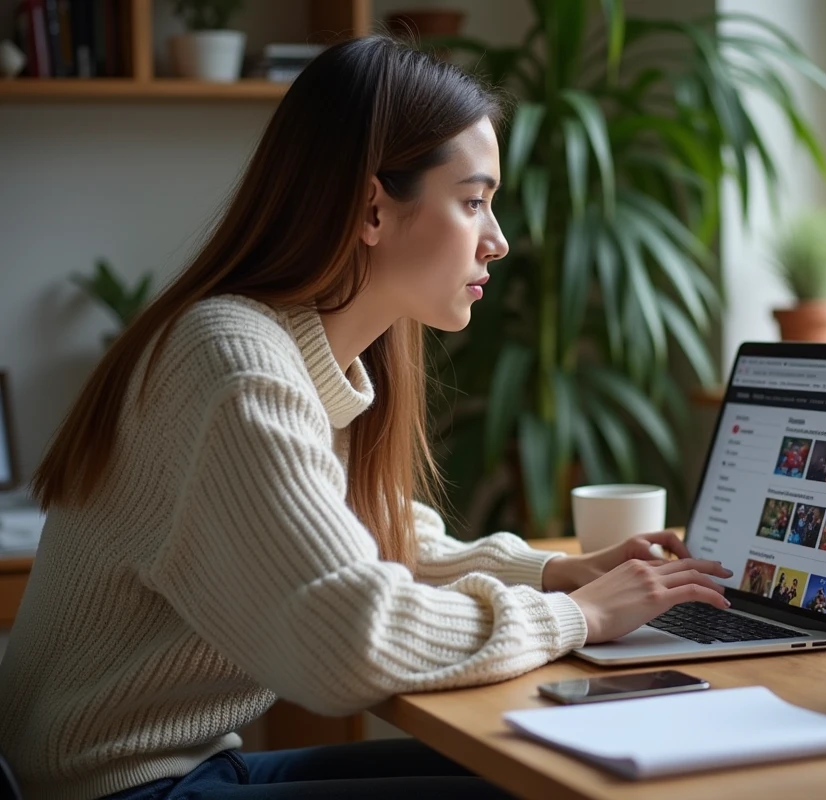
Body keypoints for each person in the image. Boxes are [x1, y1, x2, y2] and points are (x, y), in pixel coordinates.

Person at [0, 37, 733, 800]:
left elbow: (380, 540)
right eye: (474, 200)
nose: (500, 239)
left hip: (190, 770)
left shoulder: (299, 353)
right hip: (116, 791)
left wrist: (556, 572)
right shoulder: (234, 362)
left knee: (555, 765)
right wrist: (574, 615)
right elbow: (350, 638)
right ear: (374, 208)